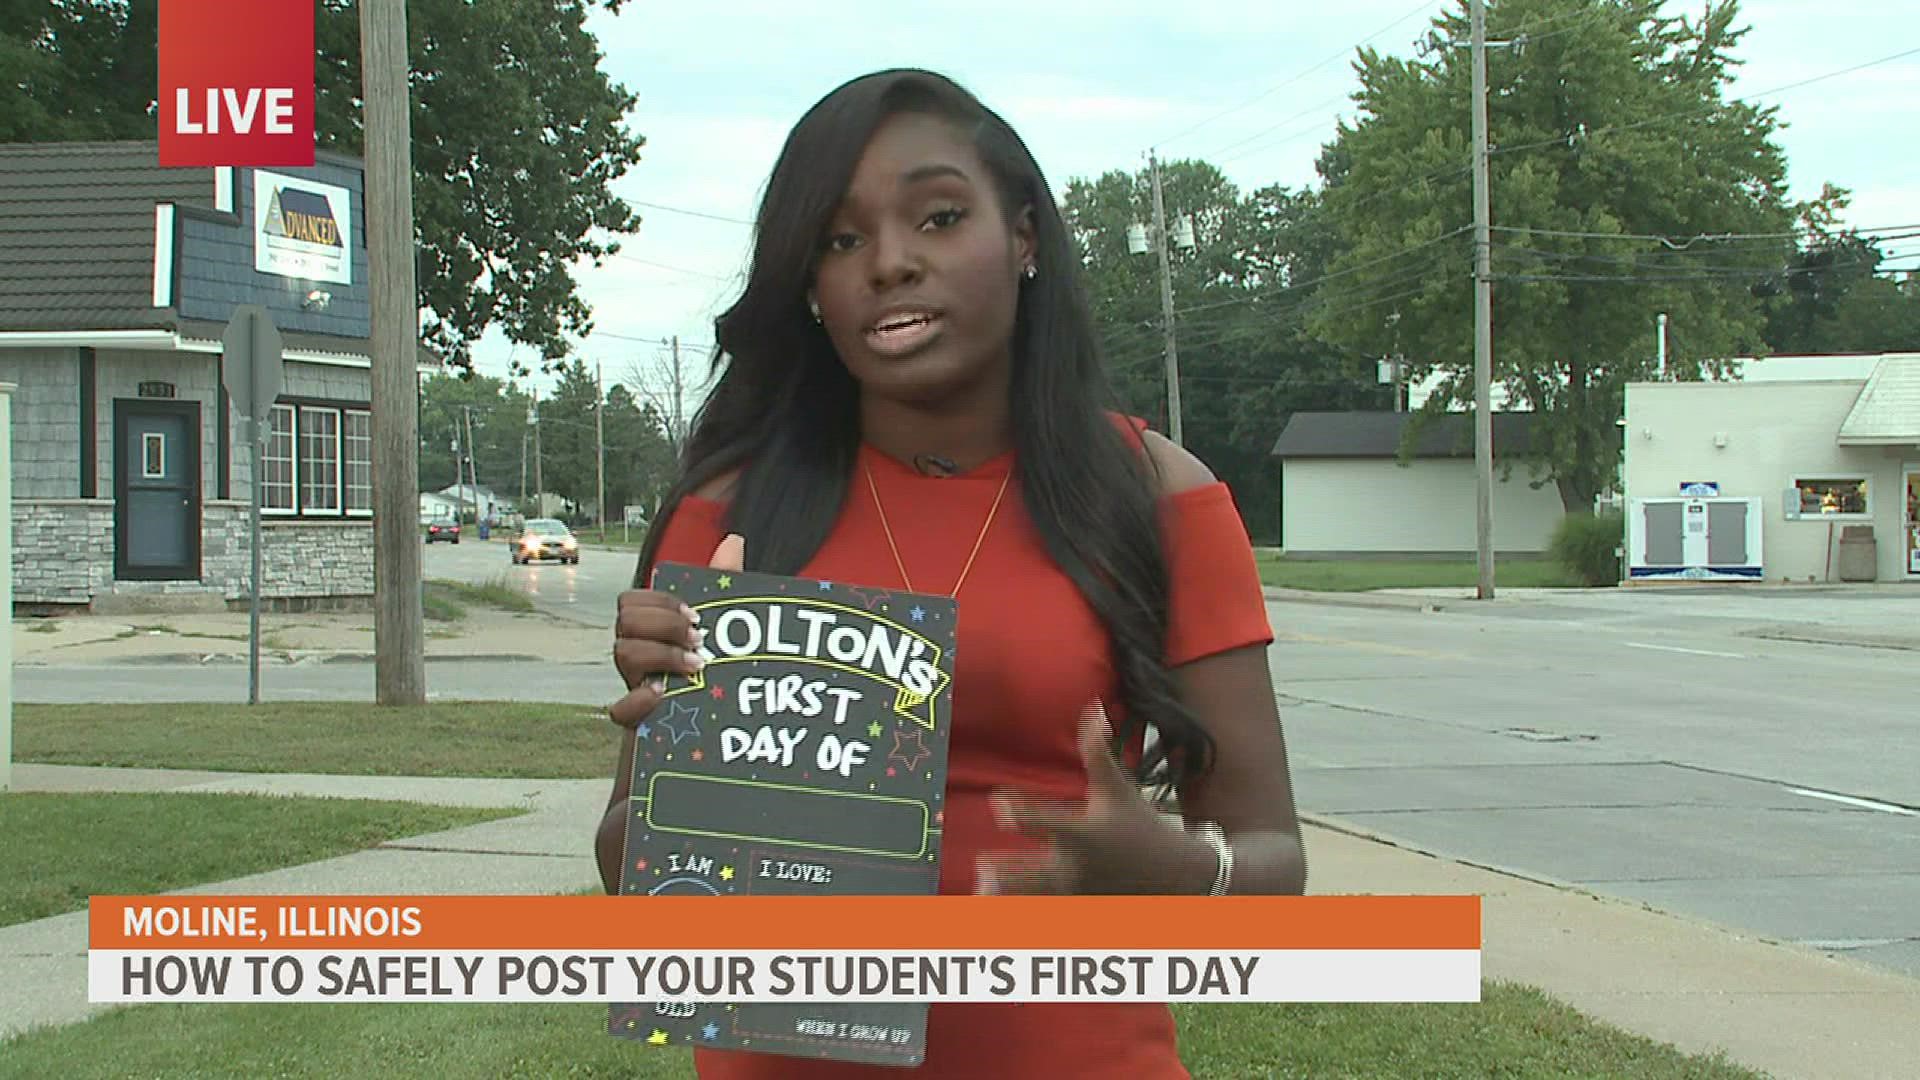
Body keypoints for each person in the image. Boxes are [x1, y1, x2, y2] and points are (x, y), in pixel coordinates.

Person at [596, 68, 1306, 1078]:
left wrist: (1171, 871)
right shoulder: (729, 515)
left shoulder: (1155, 496)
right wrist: (683, 780)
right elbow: (634, 878)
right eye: (840, 241)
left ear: (1022, 238)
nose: (888, 263)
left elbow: (1275, 862)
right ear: (808, 287)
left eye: (937, 217)